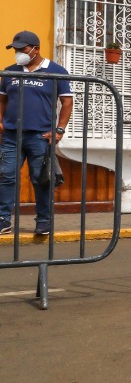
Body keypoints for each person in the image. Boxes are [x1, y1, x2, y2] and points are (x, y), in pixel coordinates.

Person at [0, 31, 73, 237]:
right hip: (11, 136)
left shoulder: (56, 71)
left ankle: (43, 221)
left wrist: (59, 129)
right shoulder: (9, 72)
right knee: (5, 177)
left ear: (35, 49)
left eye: (22, 49)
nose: (18, 53)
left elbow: (67, 102)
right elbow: (2, 100)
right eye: (15, 49)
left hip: (40, 136)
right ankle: (3, 220)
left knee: (41, 179)